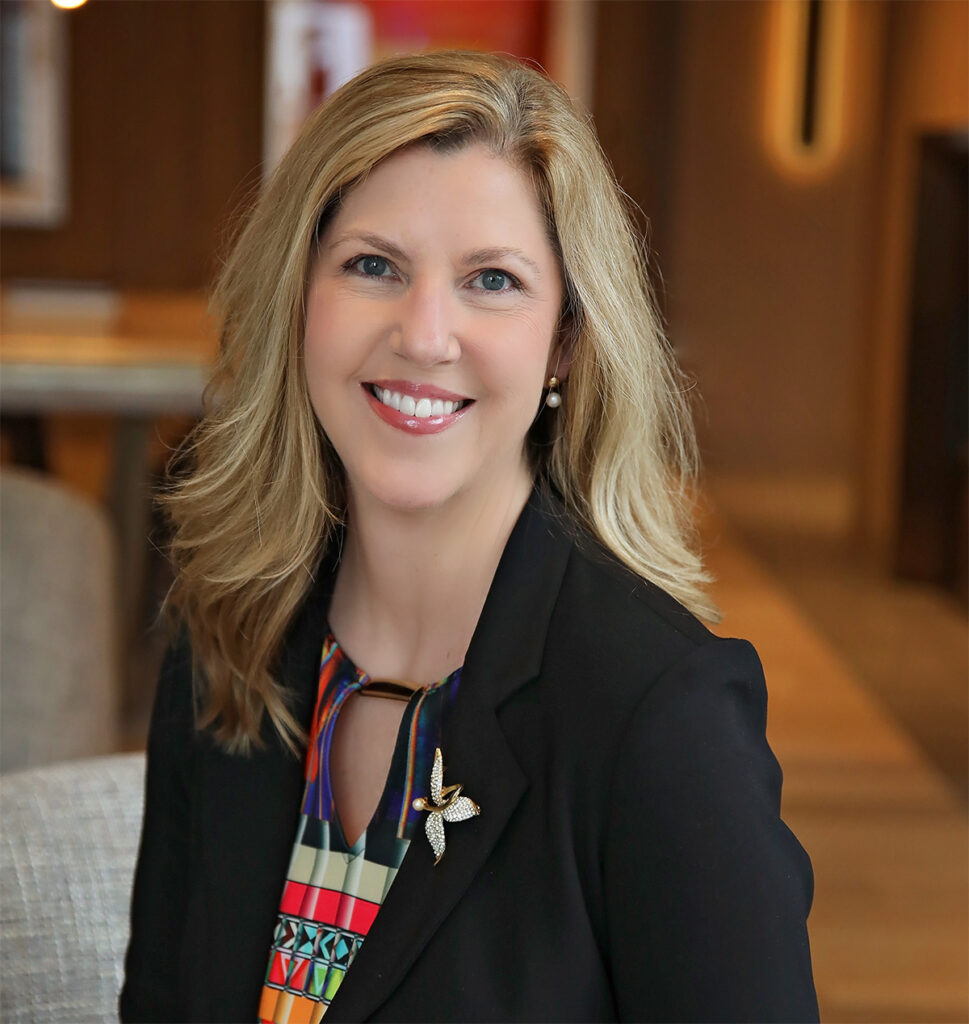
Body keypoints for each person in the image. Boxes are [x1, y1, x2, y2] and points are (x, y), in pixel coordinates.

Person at [121, 50, 818, 1023]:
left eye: (491, 280)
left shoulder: (663, 718)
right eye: (374, 265)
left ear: (565, 341)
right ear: (300, 301)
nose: (424, 332)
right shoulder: (225, 637)